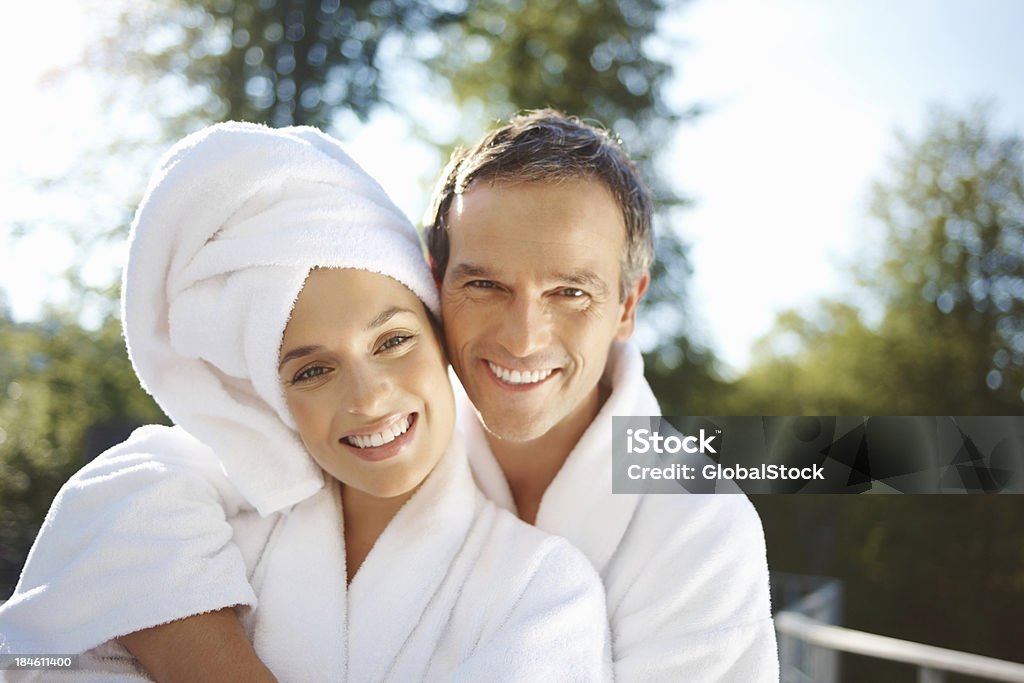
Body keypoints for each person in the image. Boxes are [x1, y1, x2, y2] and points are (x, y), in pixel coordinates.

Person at [2, 110, 779, 681]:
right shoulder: (372, 435)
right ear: (435, 283)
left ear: (628, 304)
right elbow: (150, 482)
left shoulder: (696, 531)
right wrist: (183, 635)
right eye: (485, 284)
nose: (521, 336)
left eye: (571, 292)